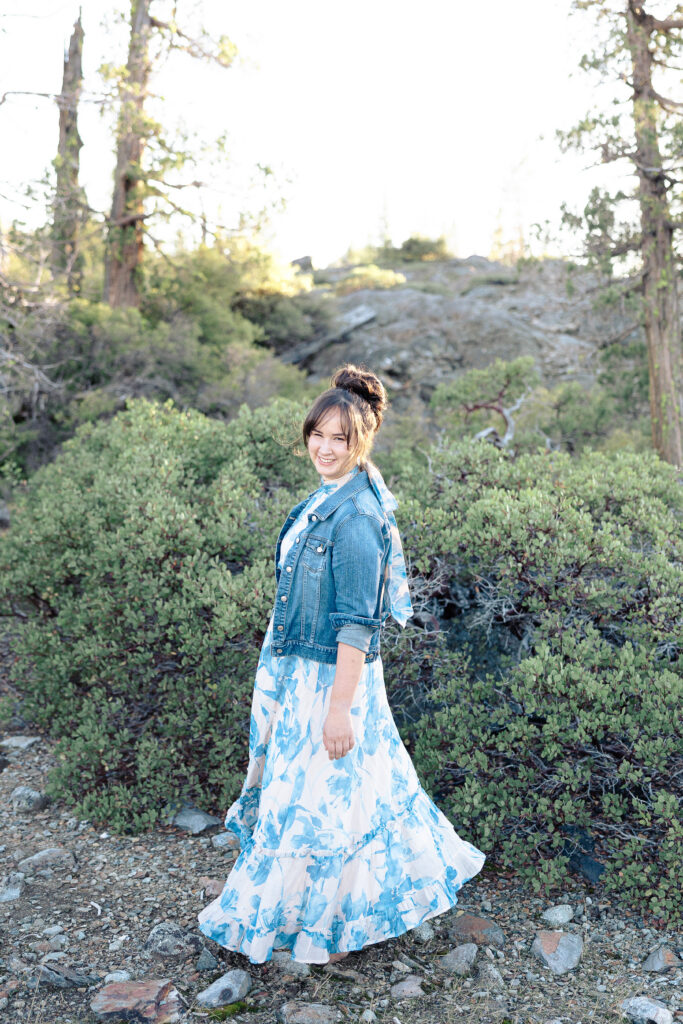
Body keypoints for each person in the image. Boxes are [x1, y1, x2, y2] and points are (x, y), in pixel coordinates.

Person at [197, 364, 485, 965]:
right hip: (304, 671)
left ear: (361, 444)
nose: (325, 449)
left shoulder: (355, 519)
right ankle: (332, 908)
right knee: (347, 795)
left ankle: (314, 922)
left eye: (340, 440)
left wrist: (337, 710)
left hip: (331, 679)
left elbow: (358, 622)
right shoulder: (326, 499)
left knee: (316, 803)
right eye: (317, 435)